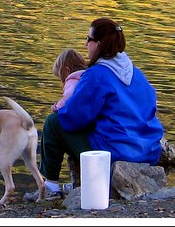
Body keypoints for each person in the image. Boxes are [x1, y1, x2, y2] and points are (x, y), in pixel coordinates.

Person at [27, 17, 165, 201]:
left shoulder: (96, 75)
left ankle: (50, 186)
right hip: (148, 151)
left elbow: (74, 118)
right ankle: (79, 184)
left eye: (88, 39)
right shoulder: (138, 74)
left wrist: (61, 108)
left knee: (54, 122)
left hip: (115, 153)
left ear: (99, 44)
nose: (85, 44)